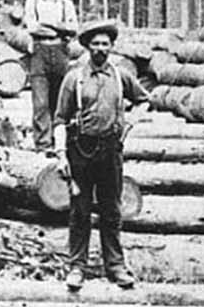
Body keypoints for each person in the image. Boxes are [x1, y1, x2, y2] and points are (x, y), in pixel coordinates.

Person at [55, 19, 149, 292]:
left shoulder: (121, 77)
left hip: (110, 151)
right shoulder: (74, 77)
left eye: (105, 44)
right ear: (87, 46)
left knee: (111, 210)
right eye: (95, 44)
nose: (100, 49)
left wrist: (130, 123)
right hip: (80, 150)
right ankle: (77, 267)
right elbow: (59, 119)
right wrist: (61, 155)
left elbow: (144, 100)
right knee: (80, 210)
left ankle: (116, 266)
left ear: (111, 46)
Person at [23, 0, 78, 152]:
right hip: (39, 53)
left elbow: (73, 29)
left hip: (61, 52)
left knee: (61, 100)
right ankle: (43, 144)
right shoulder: (32, 3)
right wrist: (59, 27)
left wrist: (48, 25)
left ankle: (60, 142)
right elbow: (32, 28)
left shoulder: (66, 4)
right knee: (40, 102)